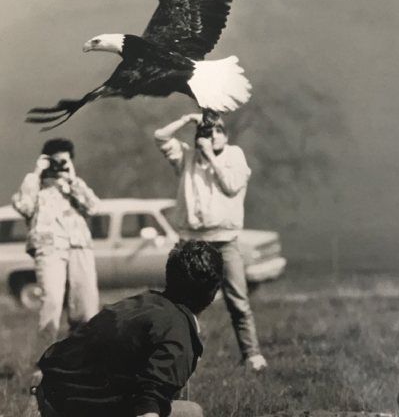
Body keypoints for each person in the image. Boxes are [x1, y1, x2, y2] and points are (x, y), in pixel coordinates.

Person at [33, 240, 223, 417]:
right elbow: (148, 403)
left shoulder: (142, 303)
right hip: (71, 409)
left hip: (48, 394)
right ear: (213, 293)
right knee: (192, 412)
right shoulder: (178, 336)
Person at [154, 113, 267, 372]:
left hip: (224, 240)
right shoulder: (186, 157)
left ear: (225, 136)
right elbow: (160, 137)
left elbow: (231, 185)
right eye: (206, 131)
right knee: (181, 303)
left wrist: (212, 158)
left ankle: (252, 354)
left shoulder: (234, 156)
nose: (212, 135)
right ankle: (180, 357)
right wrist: (185, 119)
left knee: (238, 299)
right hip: (190, 242)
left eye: (218, 130)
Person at [12, 138, 100, 353]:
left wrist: (72, 179)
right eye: (55, 162)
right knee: (51, 303)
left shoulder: (74, 187)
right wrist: (36, 173)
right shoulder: (35, 187)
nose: (59, 166)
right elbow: (23, 206)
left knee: (86, 307)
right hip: (49, 249)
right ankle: (45, 361)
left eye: (64, 161)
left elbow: (94, 208)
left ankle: (82, 357)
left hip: (79, 247)